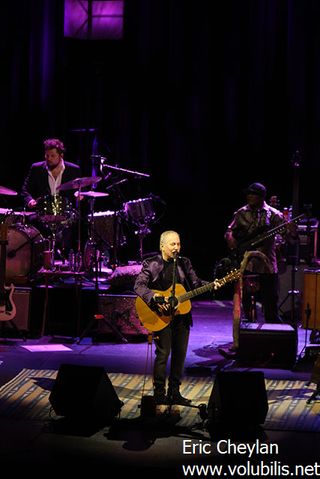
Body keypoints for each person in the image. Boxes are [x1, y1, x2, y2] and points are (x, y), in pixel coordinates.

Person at [134, 230, 209, 406]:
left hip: (181, 316)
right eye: (172, 244)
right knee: (163, 353)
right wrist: (156, 298)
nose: (176, 248)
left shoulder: (184, 263)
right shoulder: (151, 263)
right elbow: (139, 286)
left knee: (180, 355)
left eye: (178, 244)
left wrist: (213, 285)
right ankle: (159, 393)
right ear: (162, 246)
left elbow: (196, 284)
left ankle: (175, 392)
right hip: (160, 316)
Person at [224, 182, 298, 339]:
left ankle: (271, 339)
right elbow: (230, 230)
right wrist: (230, 238)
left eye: (253, 194)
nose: (249, 197)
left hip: (267, 266)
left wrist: (292, 232)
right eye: (248, 194)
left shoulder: (274, 215)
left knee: (270, 304)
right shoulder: (241, 213)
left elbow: (289, 238)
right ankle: (249, 338)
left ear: (262, 197)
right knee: (247, 304)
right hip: (247, 264)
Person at [21, 138, 82, 258]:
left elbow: (81, 188)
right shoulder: (36, 168)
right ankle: (39, 259)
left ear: (61, 155)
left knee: (75, 225)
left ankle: (66, 259)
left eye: (52, 156)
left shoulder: (74, 170)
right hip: (42, 213)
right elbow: (24, 190)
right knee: (31, 226)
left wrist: (79, 195)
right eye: (47, 155)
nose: (48, 158)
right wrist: (30, 200)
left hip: (65, 213)